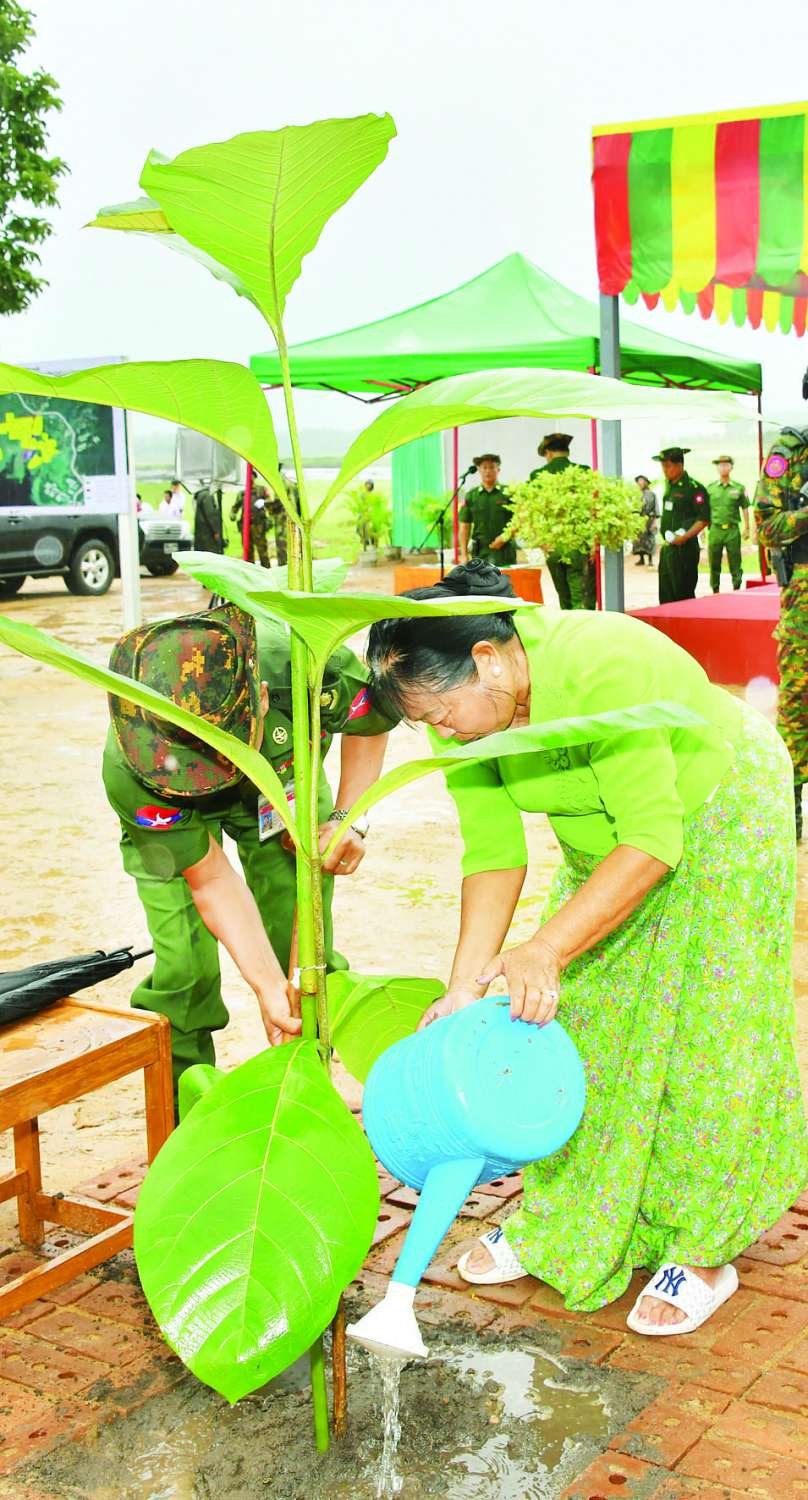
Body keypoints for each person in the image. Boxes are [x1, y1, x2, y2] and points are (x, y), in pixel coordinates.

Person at [365, 559, 807, 1336]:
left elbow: (652, 835)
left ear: (487, 660)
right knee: (578, 1028)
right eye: (424, 721)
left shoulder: (602, 663)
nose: (442, 731)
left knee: (711, 1033)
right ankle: (570, 1219)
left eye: (441, 711)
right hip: (607, 844)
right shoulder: (470, 720)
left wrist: (547, 947)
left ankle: (701, 1246)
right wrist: (464, 987)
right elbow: (493, 856)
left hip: (721, 807)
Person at [103, 602, 393, 1091]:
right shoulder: (131, 768)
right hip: (174, 813)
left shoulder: (307, 668)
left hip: (278, 788)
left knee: (307, 955)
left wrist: (348, 818)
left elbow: (373, 719)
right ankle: (185, 1108)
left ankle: (307, 1090)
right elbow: (210, 879)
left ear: (260, 696)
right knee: (183, 969)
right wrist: (265, 986)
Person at [754, 393, 808, 840]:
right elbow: (766, 526)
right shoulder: (790, 451)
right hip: (804, 600)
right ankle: (789, 810)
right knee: (797, 701)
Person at [529, 434, 595, 609]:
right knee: (582, 599)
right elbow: (593, 508)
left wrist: (540, 540)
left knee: (564, 599)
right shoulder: (583, 471)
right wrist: (593, 542)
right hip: (578, 544)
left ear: (548, 453)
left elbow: (532, 509)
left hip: (552, 545)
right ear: (567, 451)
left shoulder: (537, 475)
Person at [655, 447, 710, 604]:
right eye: (663, 466)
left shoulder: (694, 488)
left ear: (679, 465)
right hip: (668, 549)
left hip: (684, 550)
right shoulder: (669, 486)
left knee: (683, 596)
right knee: (666, 595)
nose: (665, 470)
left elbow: (703, 519)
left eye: (668, 466)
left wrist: (684, 536)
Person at [458, 454, 516, 568]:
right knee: (479, 579)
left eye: (491, 467)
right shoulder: (472, 495)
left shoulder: (508, 493)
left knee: (505, 579)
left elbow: (520, 519)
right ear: (479, 470)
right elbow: (464, 526)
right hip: (480, 552)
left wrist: (505, 536)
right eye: (484, 467)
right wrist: (464, 555)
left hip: (504, 550)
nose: (488, 471)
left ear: (498, 470)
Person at [707, 456, 750, 593]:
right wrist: (702, 531)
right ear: (717, 468)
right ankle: (715, 590)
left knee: (735, 560)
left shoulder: (739, 488)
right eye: (720, 465)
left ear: (731, 467)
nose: (723, 468)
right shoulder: (710, 489)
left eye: (726, 465)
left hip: (732, 530)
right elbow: (705, 511)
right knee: (714, 561)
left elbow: (745, 508)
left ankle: (736, 588)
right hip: (715, 529)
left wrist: (747, 528)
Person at [231, 485, 270, 565]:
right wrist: (233, 514)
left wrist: (264, 502)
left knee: (262, 550)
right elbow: (235, 506)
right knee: (248, 550)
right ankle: (250, 569)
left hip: (259, 525)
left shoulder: (261, 489)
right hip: (246, 526)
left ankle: (266, 569)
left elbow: (269, 501)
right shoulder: (242, 493)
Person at [632, 475, 657, 567]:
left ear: (646, 482)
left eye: (642, 481)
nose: (640, 483)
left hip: (649, 519)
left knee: (649, 539)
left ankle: (650, 560)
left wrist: (654, 522)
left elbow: (655, 509)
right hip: (639, 519)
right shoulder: (636, 494)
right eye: (639, 481)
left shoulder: (652, 494)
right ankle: (641, 559)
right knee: (639, 540)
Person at [193, 484, 224, 553]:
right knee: (210, 554)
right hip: (207, 535)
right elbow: (210, 514)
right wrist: (216, 531)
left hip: (201, 534)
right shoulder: (207, 496)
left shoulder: (201, 495)